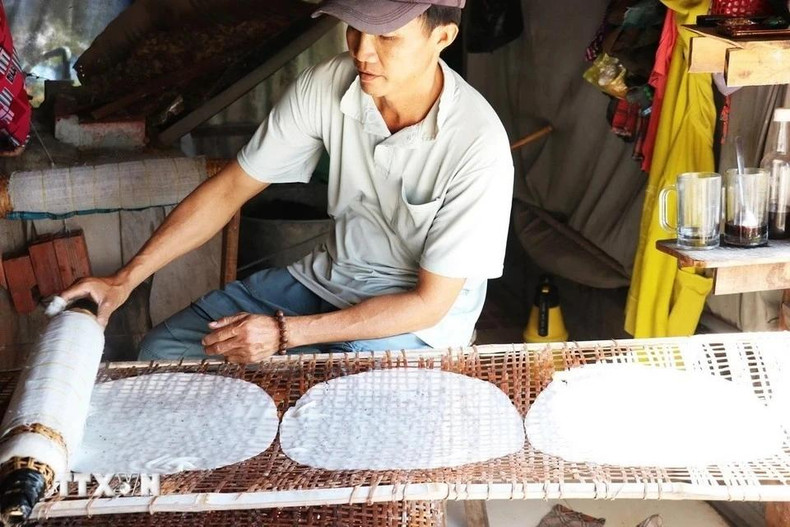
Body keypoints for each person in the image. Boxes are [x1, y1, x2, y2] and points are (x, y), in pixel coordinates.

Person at [61, 0, 514, 363]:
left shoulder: (478, 146)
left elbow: (428, 304)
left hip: (417, 325)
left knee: (323, 404)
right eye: (354, 27)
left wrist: (283, 334)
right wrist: (125, 280)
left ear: (443, 37)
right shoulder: (327, 84)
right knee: (163, 352)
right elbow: (231, 187)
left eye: (387, 37)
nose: (361, 50)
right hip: (330, 280)